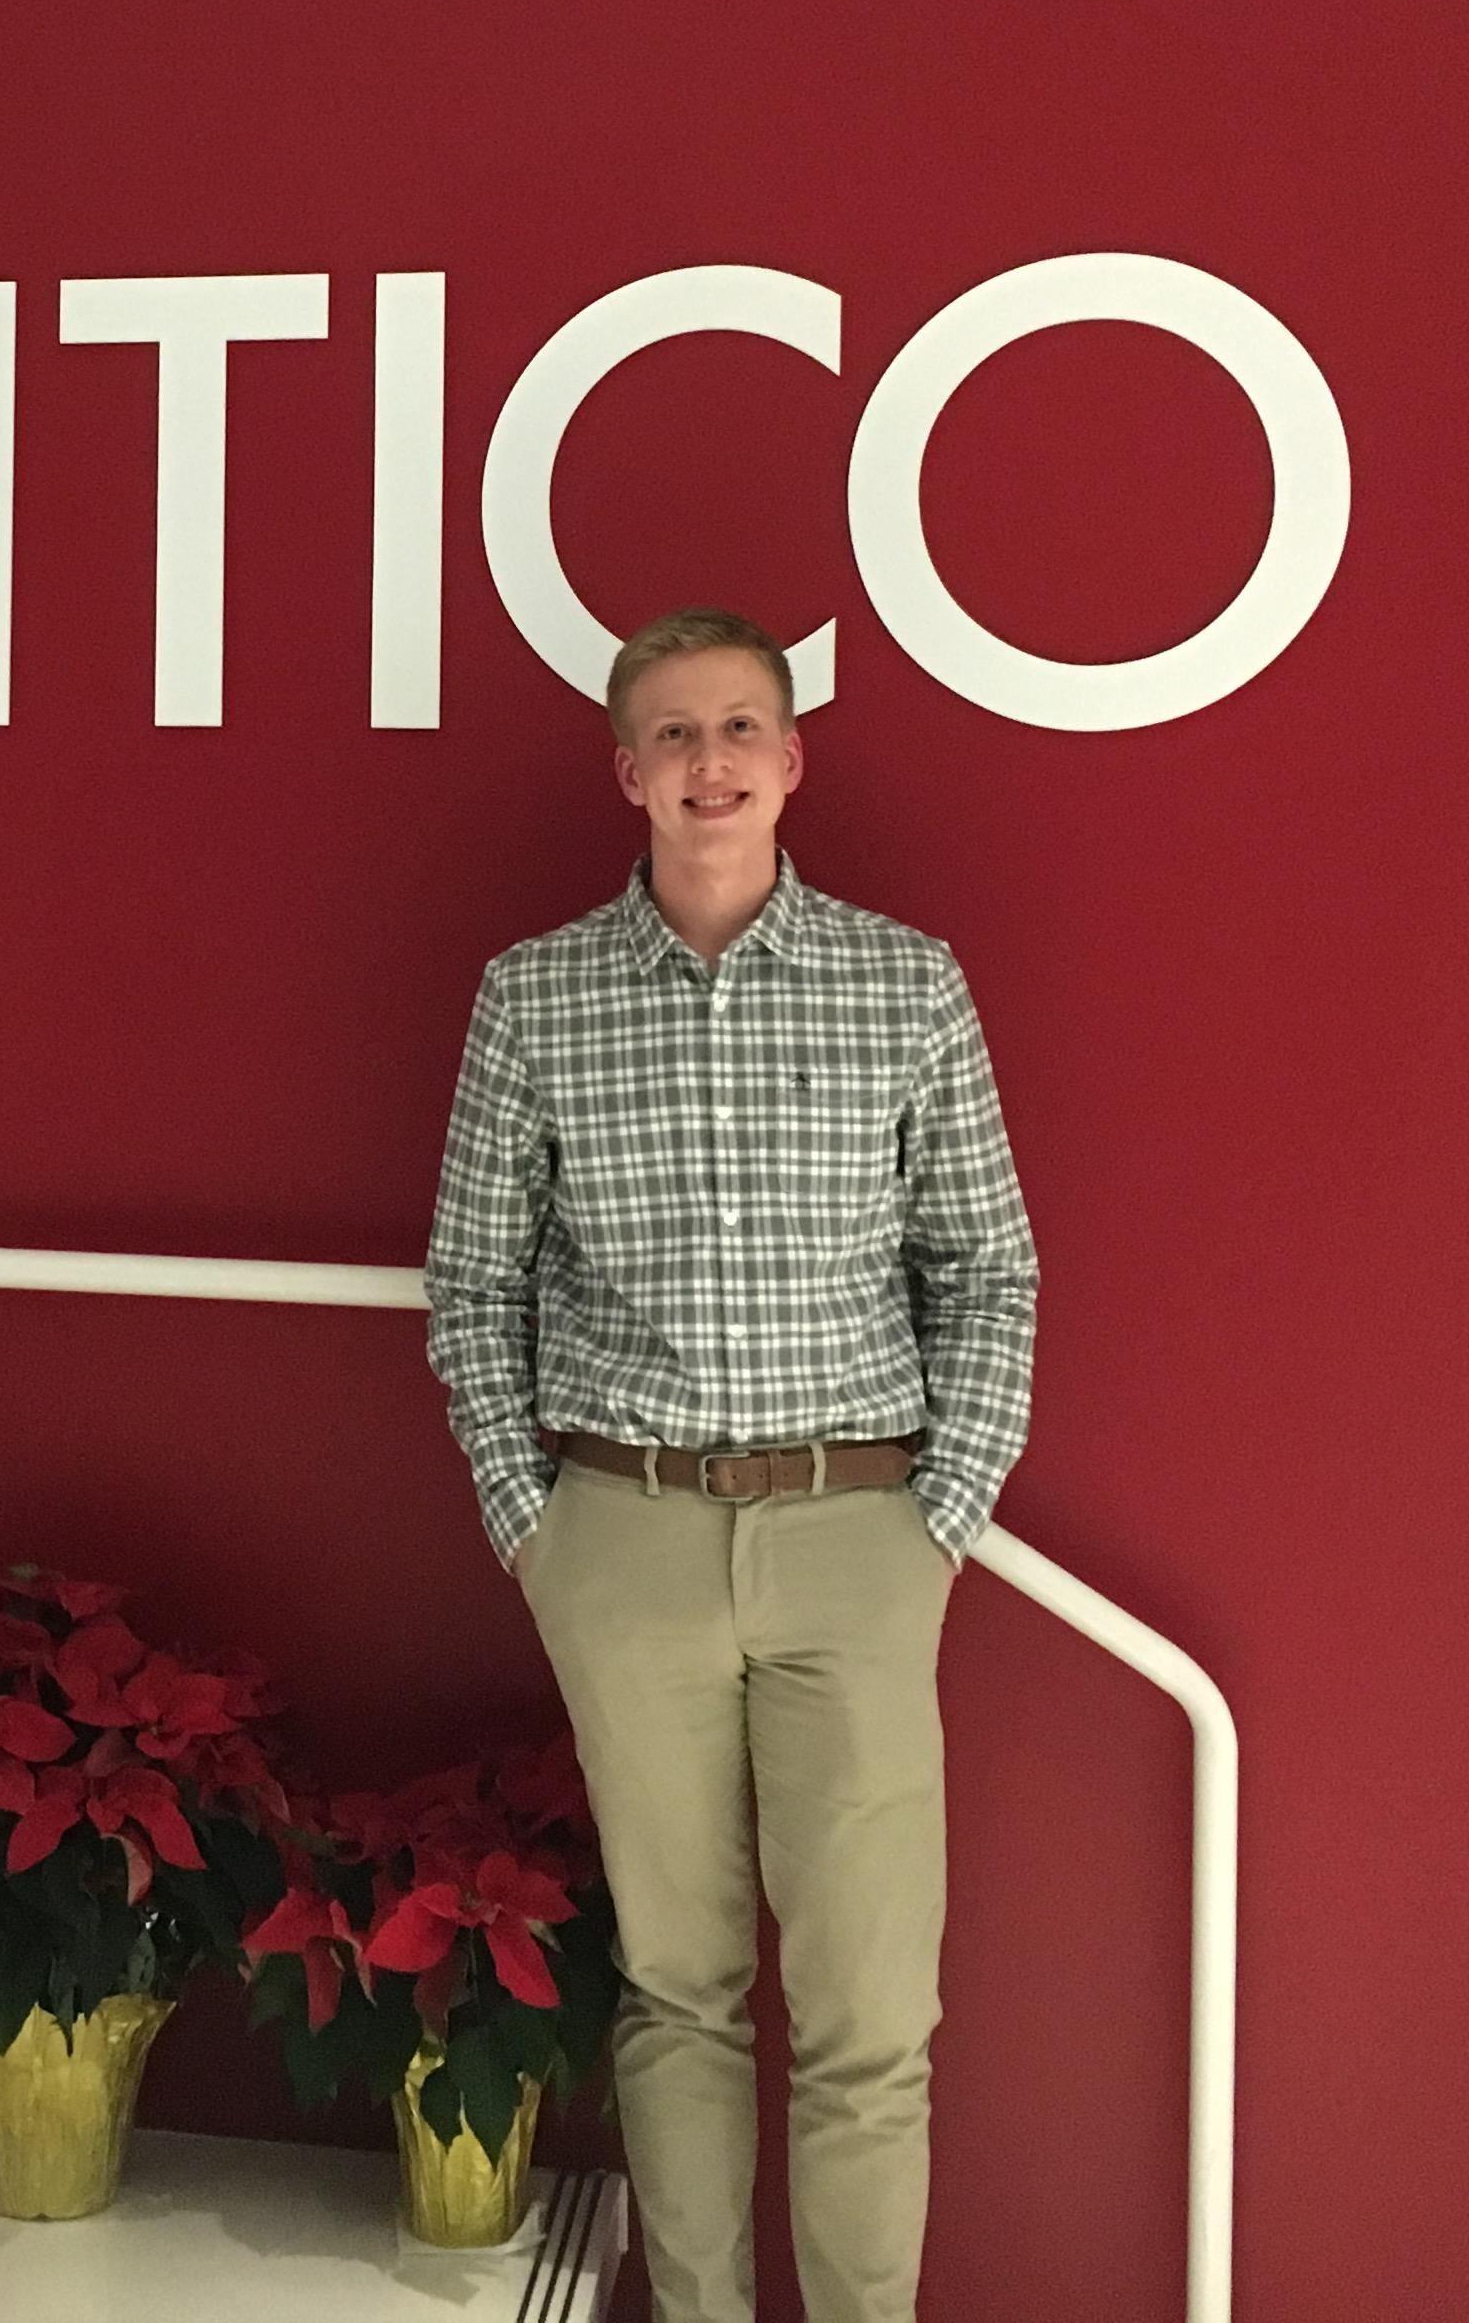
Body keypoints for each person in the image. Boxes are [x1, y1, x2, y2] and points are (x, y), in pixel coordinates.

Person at [421, 606, 1037, 2323]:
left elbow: (986, 1266)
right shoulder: (534, 994)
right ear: (628, 770)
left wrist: (944, 1515)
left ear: (791, 760)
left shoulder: (904, 982)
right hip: (621, 1535)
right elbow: (475, 1280)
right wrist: (535, 1526)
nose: (711, 764)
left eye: (742, 729)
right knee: (677, 1990)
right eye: (676, 735)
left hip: (859, 1533)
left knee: (869, 2021)